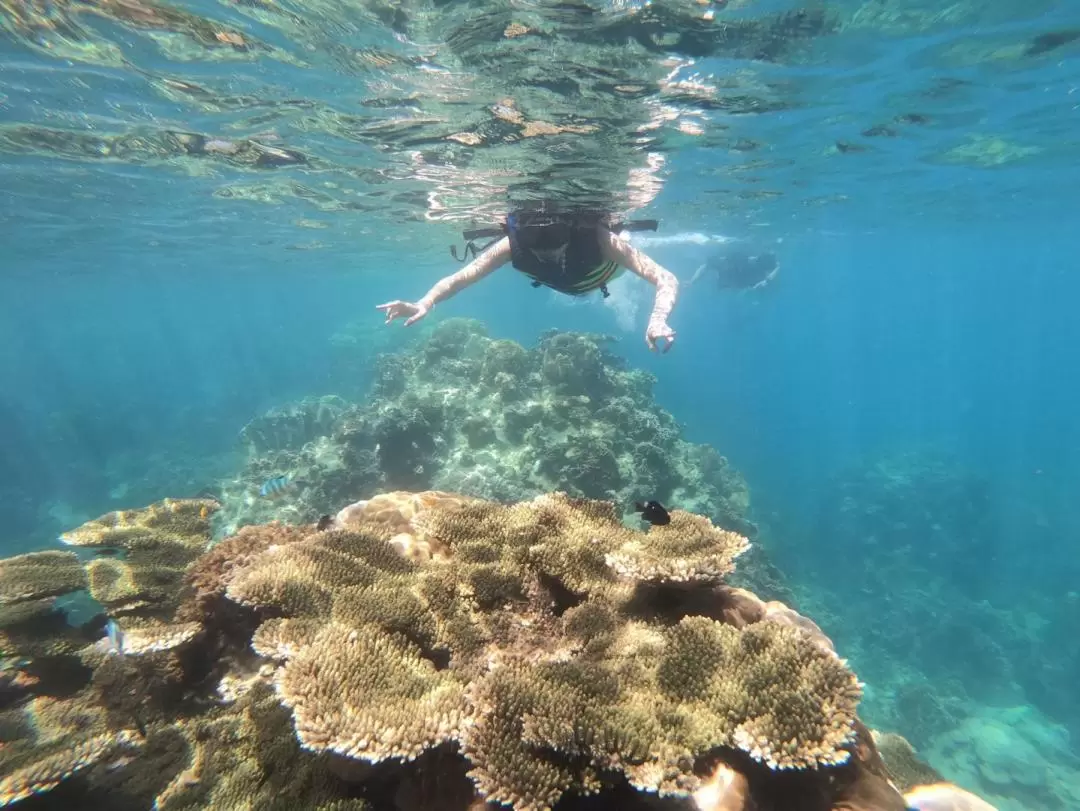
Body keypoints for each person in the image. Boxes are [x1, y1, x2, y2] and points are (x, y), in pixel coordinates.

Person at [376, 209, 680, 353]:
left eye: (552, 231)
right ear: (519, 227)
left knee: (621, 245)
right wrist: (424, 302)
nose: (543, 239)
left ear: (567, 225)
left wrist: (657, 319)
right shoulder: (512, 245)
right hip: (571, 278)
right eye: (533, 232)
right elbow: (460, 278)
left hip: (599, 275)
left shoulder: (599, 239)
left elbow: (665, 277)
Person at [687, 246, 779, 292]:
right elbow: (705, 266)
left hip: (745, 272)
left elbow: (776, 267)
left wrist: (693, 281)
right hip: (742, 277)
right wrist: (692, 281)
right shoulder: (725, 266)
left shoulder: (753, 271)